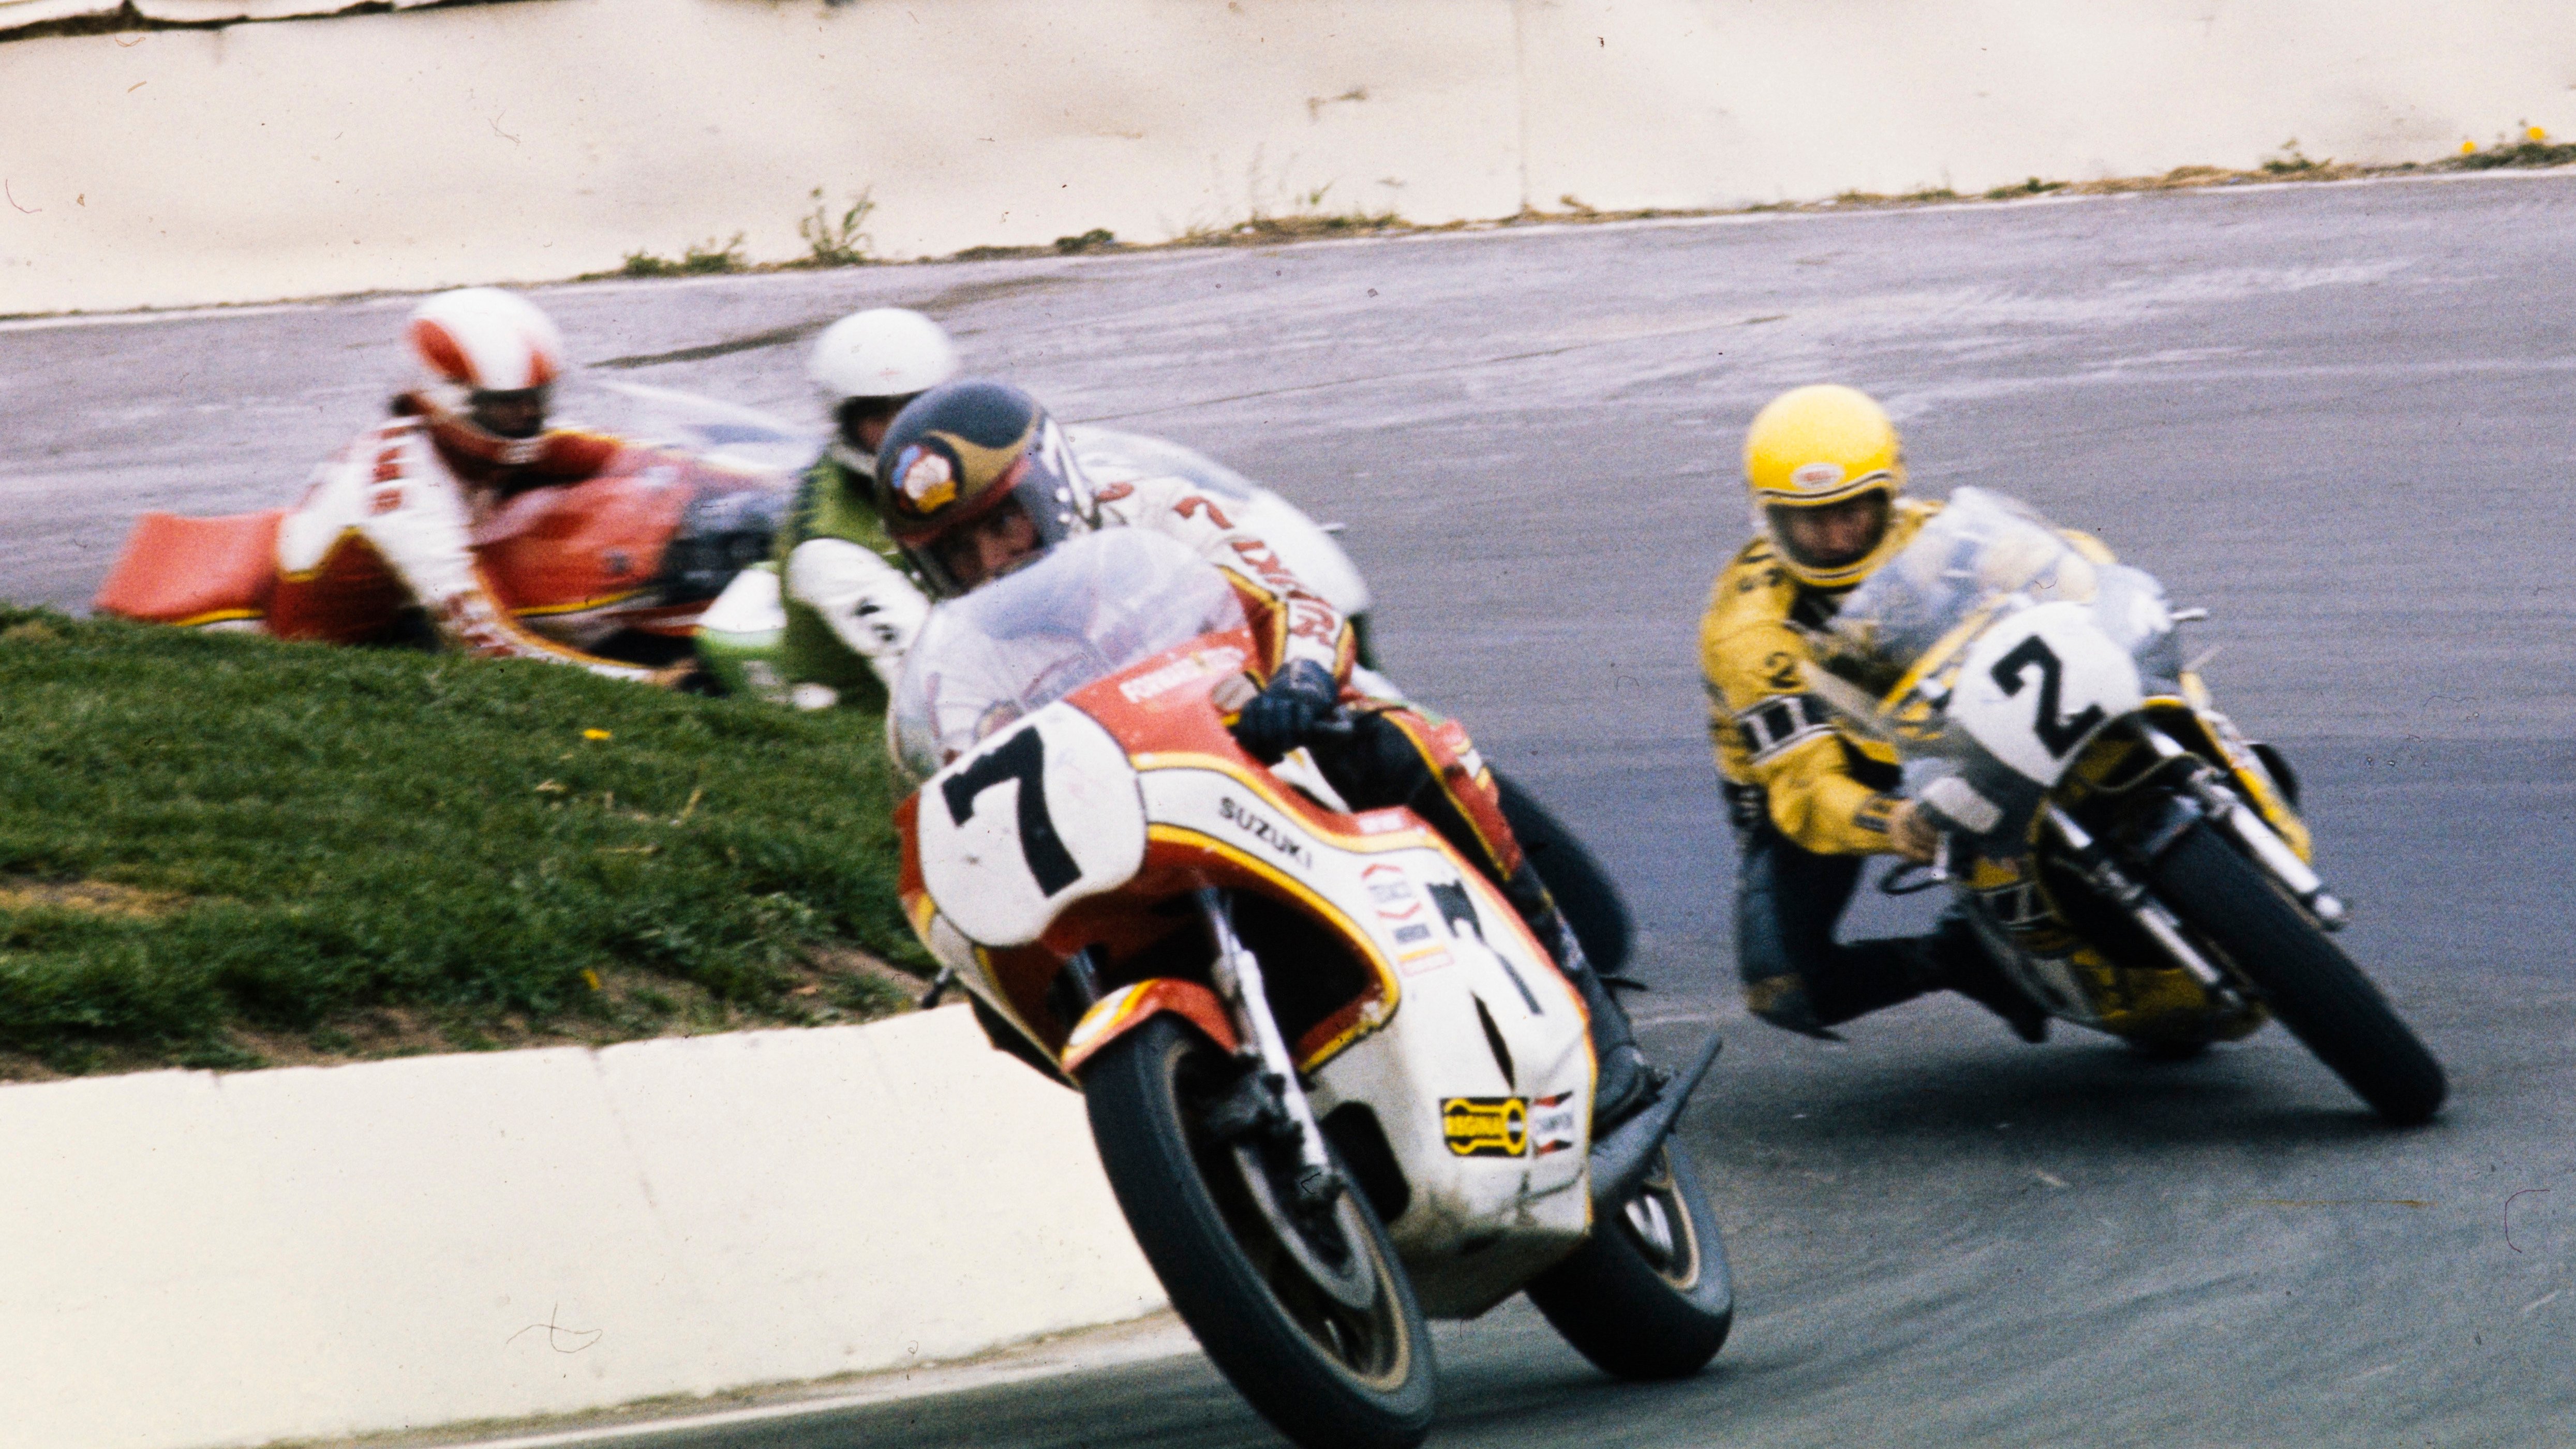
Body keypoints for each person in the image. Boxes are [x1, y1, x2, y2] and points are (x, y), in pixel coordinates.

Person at [876, 378, 1663, 1126]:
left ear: (1050, 486)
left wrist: (1295, 682)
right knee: (1005, 993)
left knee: (1395, 743)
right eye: (957, 553)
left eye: (1001, 522)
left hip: (1251, 759)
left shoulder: (1152, 513)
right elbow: (963, 779)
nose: (990, 561)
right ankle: (1184, 1126)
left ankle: (1582, 997)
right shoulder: (958, 657)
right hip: (1115, 844)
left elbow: (1292, 599)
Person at [1700, 383, 2076, 1042]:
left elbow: (2053, 566)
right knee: (1783, 983)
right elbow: (1807, 787)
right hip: (1819, 768)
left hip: (1944, 711)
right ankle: (1964, 955)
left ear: (1889, 493)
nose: (1836, 535)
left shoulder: (1934, 531)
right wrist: (1897, 820)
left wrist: (2062, 585)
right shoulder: (1748, 629)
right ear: (1769, 517)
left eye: (1854, 510)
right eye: (1807, 519)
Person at [271, 287, 670, 682]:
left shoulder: (455, 436)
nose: (527, 415)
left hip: (415, 596)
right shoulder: (409, 496)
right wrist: (649, 683)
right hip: (354, 645)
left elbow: (610, 451)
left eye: (537, 399)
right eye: (506, 405)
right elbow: (485, 644)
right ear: (446, 398)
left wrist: (709, 475)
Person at [770, 308, 959, 708]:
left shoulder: (927, 476)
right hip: (868, 726)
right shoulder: (827, 549)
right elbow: (934, 678)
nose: (900, 429)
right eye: (876, 414)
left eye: (914, 406)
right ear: (844, 420)